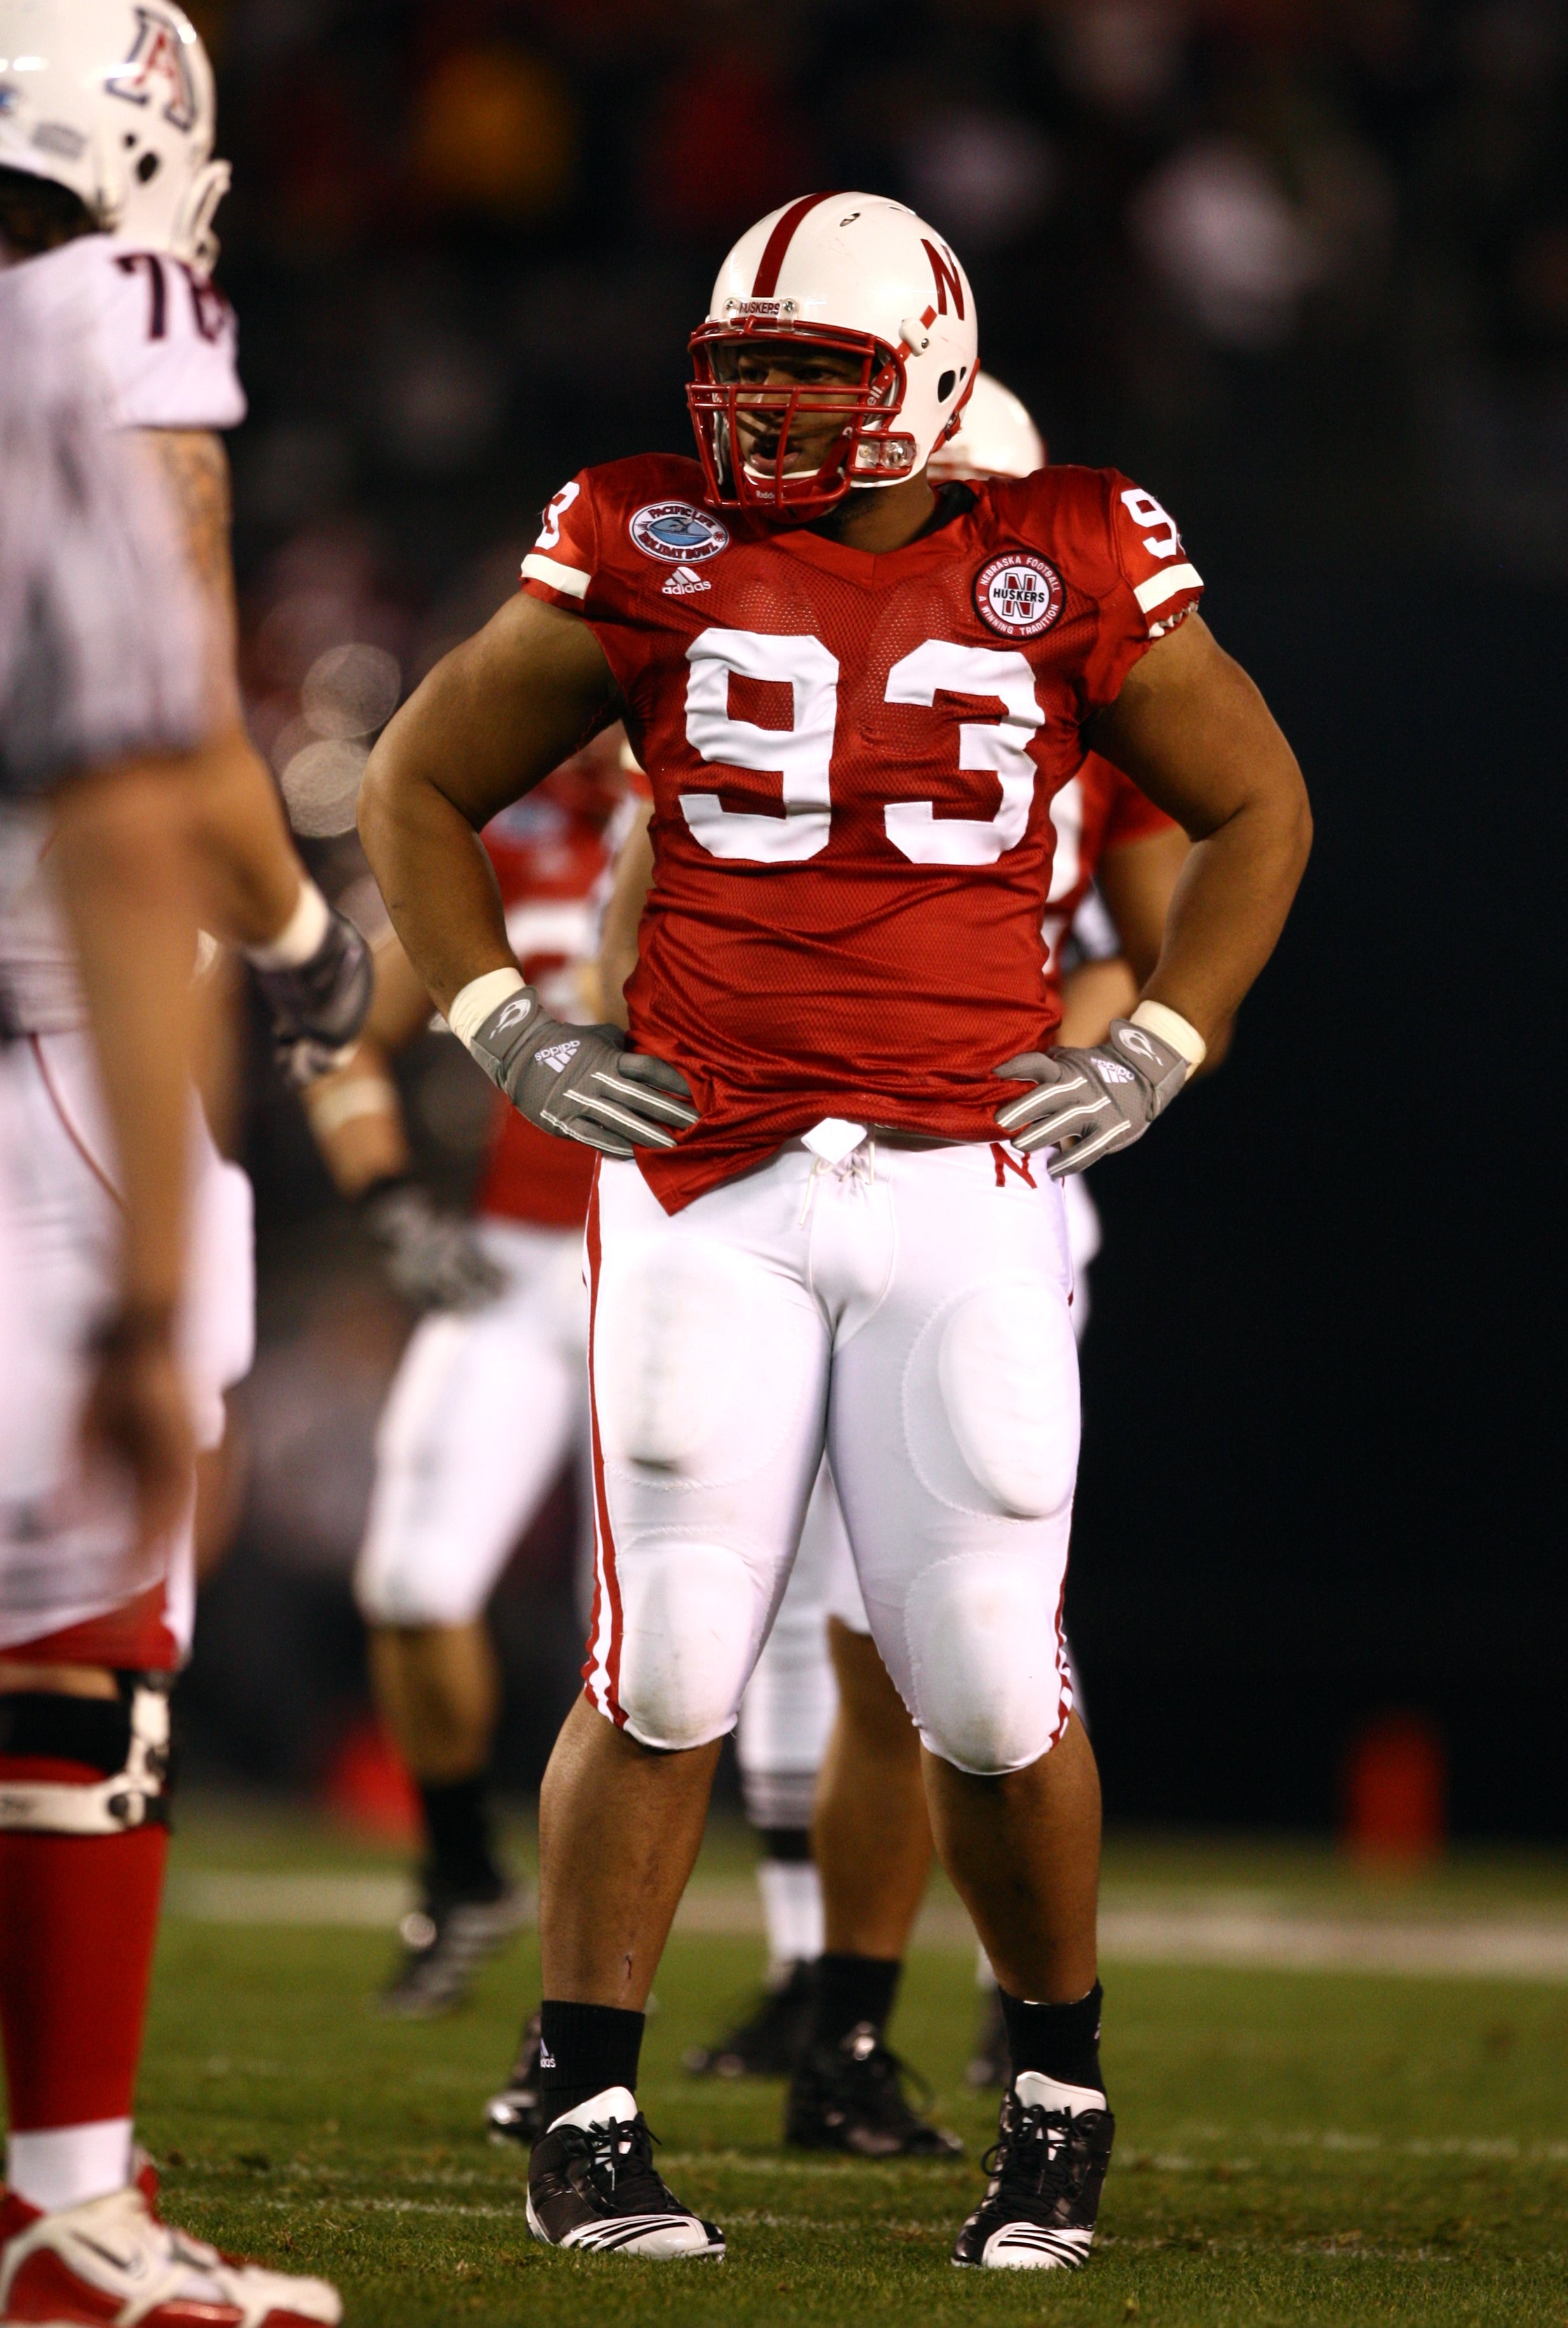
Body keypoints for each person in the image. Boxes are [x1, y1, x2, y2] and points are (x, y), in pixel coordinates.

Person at [358, 191, 1310, 2269]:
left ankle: (1049, 2096)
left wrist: (1160, 1039)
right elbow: (418, 779)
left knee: (978, 1678)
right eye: (745, 369)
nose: (768, 409)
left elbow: (1258, 804)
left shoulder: (1059, 545)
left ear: (936, 378)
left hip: (960, 1176)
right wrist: (503, 1021)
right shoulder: (643, 534)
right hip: (709, 1176)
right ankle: (587, 2107)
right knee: (671, 1657)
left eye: (815, 369)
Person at [0, 215, 342, 2328]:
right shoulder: (93, 328)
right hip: (34, 1046)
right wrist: (306, 948)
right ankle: (60, 2198)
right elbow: (148, 796)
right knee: (82, 1604)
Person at [303, 737, 633, 2015]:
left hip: (694, 1255)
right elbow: (343, 1025)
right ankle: (460, 1870)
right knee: (409, 1579)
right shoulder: (511, 830)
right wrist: (388, 1199)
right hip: (515, 1251)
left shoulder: (769, 805)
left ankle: (823, 1966)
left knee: (669, 1637)